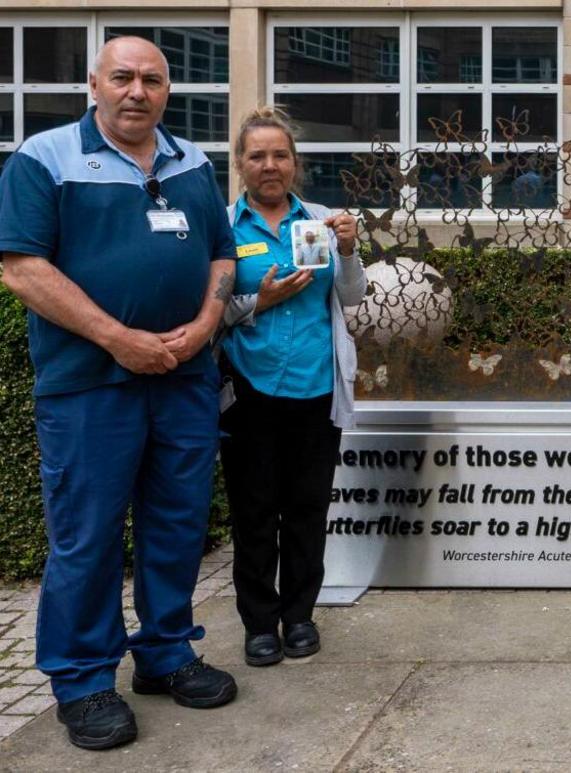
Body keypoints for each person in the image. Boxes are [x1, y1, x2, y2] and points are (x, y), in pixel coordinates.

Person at [0, 36, 238, 750]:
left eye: (153, 80)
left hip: (185, 380)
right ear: (94, 84)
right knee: (89, 535)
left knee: (176, 526)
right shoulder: (44, 159)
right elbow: (22, 268)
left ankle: (165, 654)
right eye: (124, 78)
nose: (139, 91)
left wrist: (201, 326)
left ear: (169, 91)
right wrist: (116, 337)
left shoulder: (190, 161)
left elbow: (222, 253)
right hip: (91, 386)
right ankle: (83, 679)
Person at [219, 107, 365, 667]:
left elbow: (351, 299)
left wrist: (350, 251)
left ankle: (299, 616)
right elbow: (210, 311)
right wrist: (261, 301)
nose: (270, 165)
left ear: (295, 163)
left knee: (306, 509)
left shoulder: (322, 220)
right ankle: (260, 623)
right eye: (257, 156)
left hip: (314, 389)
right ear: (240, 165)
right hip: (249, 393)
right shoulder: (224, 227)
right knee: (254, 512)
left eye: (280, 155)